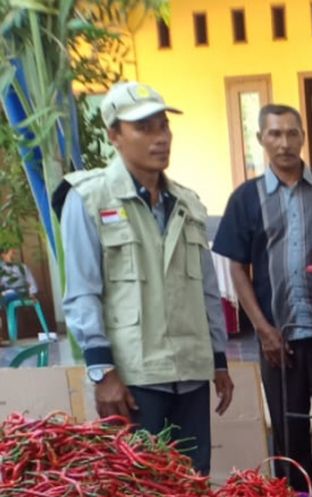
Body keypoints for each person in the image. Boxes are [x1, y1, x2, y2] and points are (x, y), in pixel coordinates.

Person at [61, 81, 234, 475]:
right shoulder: (90, 199)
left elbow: (206, 290)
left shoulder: (188, 204)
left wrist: (218, 360)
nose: (160, 138)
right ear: (115, 136)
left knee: (192, 489)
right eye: (144, 128)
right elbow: (83, 292)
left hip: (190, 375)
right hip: (134, 380)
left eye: (163, 126)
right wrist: (102, 373)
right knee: (139, 495)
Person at [213, 104, 312, 497]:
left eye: (291, 133)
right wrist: (262, 329)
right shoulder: (246, 198)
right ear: (261, 139)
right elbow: (237, 268)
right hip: (277, 334)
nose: (284, 142)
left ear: (302, 137)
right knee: (286, 425)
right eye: (274, 134)